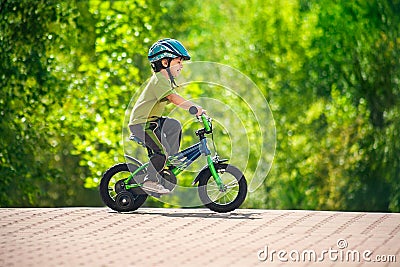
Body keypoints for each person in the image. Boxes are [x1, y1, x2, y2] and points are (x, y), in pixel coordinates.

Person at [129, 38, 205, 194]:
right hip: (141, 124)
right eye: (178, 61)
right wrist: (194, 108)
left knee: (174, 125)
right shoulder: (159, 80)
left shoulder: (165, 82)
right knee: (160, 152)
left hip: (153, 122)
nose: (181, 65)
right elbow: (174, 98)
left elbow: (172, 97)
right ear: (165, 62)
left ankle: (167, 163)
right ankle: (150, 180)